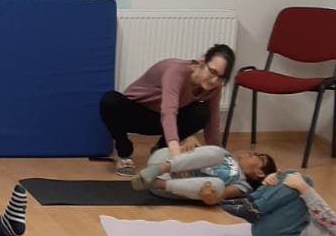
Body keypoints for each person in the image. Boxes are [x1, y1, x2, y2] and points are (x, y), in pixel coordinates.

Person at [99, 45, 235, 175]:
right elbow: (169, 110)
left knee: (202, 112)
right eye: (212, 72)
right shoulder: (176, 71)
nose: (214, 80)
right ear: (202, 62)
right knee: (110, 101)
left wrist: (221, 159)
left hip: (163, 121)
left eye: (221, 77)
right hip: (138, 113)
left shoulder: (214, 88)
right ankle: (124, 153)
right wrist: (175, 153)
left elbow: (213, 123)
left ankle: (160, 151)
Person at [134, 144, 276, 205]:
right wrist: (190, 144)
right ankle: (159, 169)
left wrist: (210, 196)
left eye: (259, 157)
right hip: (164, 161)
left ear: (259, 172)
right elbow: (198, 152)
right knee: (217, 152)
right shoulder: (226, 155)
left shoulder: (242, 184)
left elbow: (221, 194)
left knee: (217, 186)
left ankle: (152, 182)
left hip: (169, 185)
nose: (252, 153)